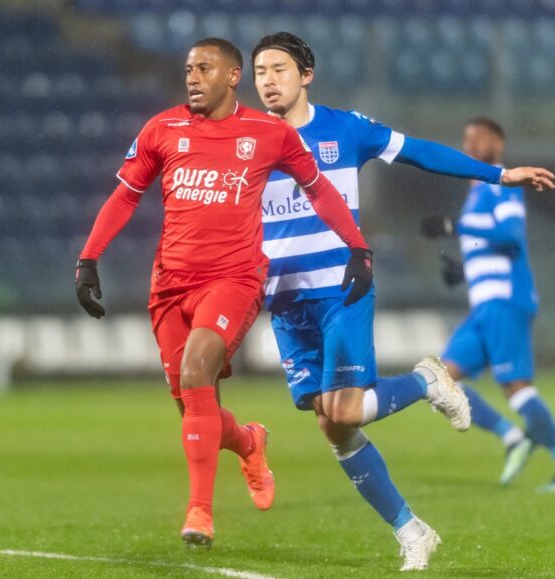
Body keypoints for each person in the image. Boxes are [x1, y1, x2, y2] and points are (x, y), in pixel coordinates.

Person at [252, 32, 555, 571]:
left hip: (342, 288)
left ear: (306, 74)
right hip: (285, 300)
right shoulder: (245, 140)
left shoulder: (345, 129)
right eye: (259, 72)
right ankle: (412, 528)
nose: (268, 80)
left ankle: (424, 383)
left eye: (279, 68)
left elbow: (417, 151)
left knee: (344, 410)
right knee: (333, 423)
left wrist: (497, 174)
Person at [75, 37, 373, 549]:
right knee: (194, 405)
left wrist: (358, 249)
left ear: (233, 77)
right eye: (188, 68)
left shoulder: (267, 132)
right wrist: (88, 257)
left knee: (196, 374)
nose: (192, 76)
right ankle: (249, 441)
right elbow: (126, 195)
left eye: (204, 68)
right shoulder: (162, 129)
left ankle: (200, 513)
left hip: (234, 280)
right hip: (170, 285)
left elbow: (319, 188)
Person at [422, 117, 555, 493]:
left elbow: (511, 235)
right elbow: (492, 247)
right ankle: (514, 437)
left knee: (516, 387)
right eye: (464, 140)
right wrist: (464, 272)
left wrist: (455, 227)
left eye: (476, 139)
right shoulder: (479, 190)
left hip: (505, 300)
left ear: (496, 141)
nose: (468, 146)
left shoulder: (502, 181)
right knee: (439, 380)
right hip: (484, 305)